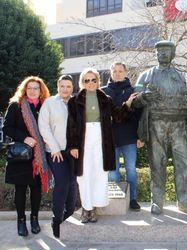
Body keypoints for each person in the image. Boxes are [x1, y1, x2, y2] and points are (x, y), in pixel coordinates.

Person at [133, 40, 187, 215]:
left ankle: (185, 201)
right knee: (157, 164)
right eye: (159, 51)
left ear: (173, 54)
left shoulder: (179, 76)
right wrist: (145, 97)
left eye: (166, 51)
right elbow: (134, 101)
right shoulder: (145, 76)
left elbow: (185, 98)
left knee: (185, 162)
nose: (162, 54)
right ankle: (157, 201)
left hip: (178, 125)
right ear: (156, 54)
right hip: (156, 124)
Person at [67, 68, 135, 223]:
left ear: (98, 81)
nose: (90, 83)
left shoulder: (105, 98)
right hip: (83, 140)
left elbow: (117, 116)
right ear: (82, 82)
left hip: (101, 138)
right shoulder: (74, 101)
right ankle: (86, 208)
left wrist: (128, 104)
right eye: (86, 80)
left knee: (100, 173)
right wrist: (73, 146)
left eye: (93, 80)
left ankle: (95, 207)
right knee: (84, 175)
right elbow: (71, 125)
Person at [3, 76, 50, 236]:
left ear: (41, 90)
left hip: (39, 157)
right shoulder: (16, 106)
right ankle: (21, 221)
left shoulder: (45, 106)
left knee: (36, 189)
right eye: (29, 88)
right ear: (24, 89)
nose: (32, 91)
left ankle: (34, 219)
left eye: (36, 88)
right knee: (21, 190)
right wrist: (24, 138)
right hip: (21, 157)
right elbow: (7, 128)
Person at [38, 75, 77, 238]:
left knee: (73, 182)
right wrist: (54, 148)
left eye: (68, 86)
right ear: (58, 86)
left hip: (73, 151)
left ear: (72, 88)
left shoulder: (77, 103)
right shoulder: (49, 103)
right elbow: (43, 126)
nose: (65, 89)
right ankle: (57, 219)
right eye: (62, 86)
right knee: (62, 183)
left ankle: (69, 216)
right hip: (55, 151)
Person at [101, 62, 143, 211]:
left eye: (120, 71)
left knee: (131, 170)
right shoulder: (103, 91)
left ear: (125, 72)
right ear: (110, 73)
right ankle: (117, 200)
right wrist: (126, 105)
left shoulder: (133, 91)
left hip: (129, 137)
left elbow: (139, 115)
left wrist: (140, 136)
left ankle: (132, 199)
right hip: (110, 139)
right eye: (115, 71)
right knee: (112, 172)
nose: (117, 73)